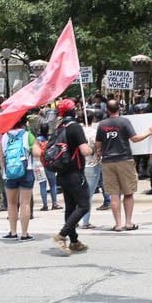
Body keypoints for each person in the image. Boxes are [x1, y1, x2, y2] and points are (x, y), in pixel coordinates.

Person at [95, 98, 152, 231]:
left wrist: (100, 151)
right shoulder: (124, 122)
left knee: (114, 194)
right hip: (124, 160)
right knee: (128, 193)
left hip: (108, 161)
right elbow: (135, 139)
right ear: (119, 108)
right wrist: (149, 132)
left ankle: (117, 224)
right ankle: (128, 223)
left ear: (107, 110)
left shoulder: (102, 124)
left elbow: (98, 145)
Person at [50, 99, 93, 255]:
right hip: (75, 173)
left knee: (70, 207)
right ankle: (62, 235)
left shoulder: (58, 127)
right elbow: (85, 151)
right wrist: (92, 147)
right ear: (73, 111)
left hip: (61, 173)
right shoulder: (74, 127)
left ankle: (74, 241)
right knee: (83, 206)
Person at [0, 115, 38, 241]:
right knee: (25, 202)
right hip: (26, 170)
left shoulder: (5, 137)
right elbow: (37, 153)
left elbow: (0, 157)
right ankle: (25, 234)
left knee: (11, 203)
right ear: (24, 123)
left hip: (10, 173)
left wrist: (6, 171)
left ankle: (13, 232)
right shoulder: (28, 135)